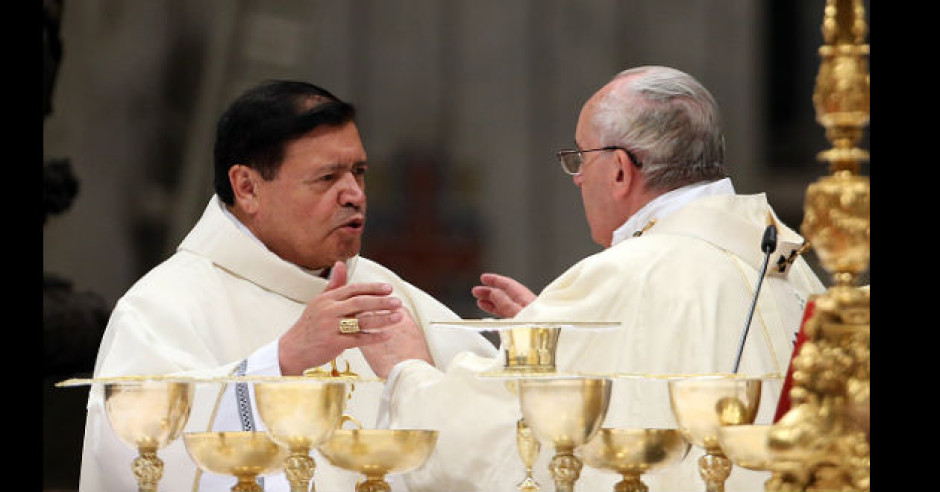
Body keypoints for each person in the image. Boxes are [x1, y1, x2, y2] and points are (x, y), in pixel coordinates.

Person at [364, 66, 826, 491]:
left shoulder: (622, 276)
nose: (578, 178)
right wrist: (555, 336)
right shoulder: (787, 265)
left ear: (621, 170)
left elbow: (496, 435)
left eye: (580, 159)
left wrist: (409, 374)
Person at [78, 80, 496, 492]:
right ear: (247, 187)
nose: (354, 194)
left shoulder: (391, 298)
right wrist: (279, 362)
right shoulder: (163, 307)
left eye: (359, 172)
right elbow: (131, 454)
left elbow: (502, 437)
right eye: (327, 177)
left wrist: (538, 338)